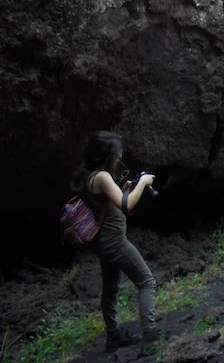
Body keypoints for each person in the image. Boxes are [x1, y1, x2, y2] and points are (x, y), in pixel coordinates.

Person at [72, 131, 161, 352]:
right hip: (114, 241)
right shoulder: (102, 177)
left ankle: (113, 337)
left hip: (103, 242)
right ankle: (150, 339)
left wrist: (128, 188)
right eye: (117, 152)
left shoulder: (91, 176)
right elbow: (127, 205)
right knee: (147, 282)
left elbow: (114, 202)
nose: (120, 156)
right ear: (107, 155)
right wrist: (144, 183)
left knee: (110, 289)